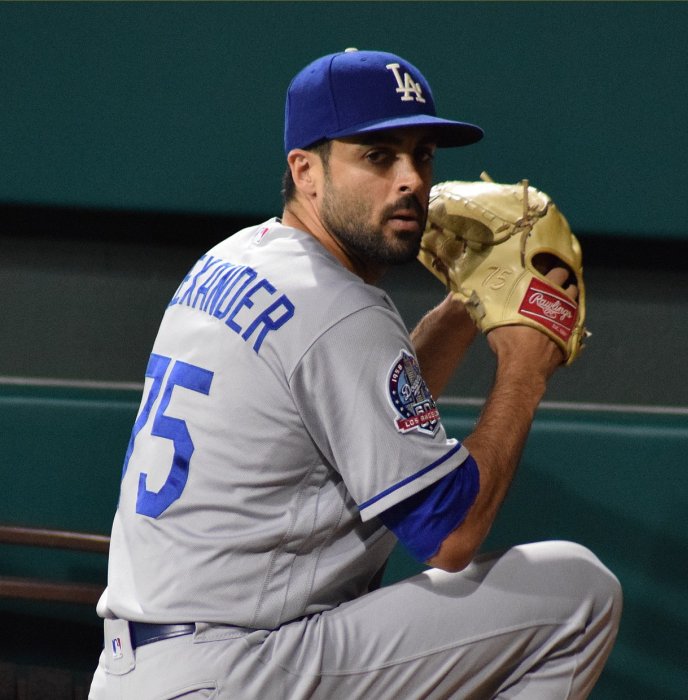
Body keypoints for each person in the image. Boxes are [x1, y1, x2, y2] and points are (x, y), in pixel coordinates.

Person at [89, 48, 621, 699]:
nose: (411, 180)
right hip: (238, 666)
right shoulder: (342, 310)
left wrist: (468, 304)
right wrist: (524, 369)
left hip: (141, 669)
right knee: (579, 591)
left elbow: (358, 409)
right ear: (305, 171)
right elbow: (451, 533)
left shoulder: (234, 258)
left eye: (423, 155)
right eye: (378, 156)